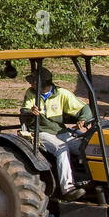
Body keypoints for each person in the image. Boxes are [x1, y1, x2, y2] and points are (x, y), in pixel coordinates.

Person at [21, 67, 93, 197]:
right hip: (40, 131)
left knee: (86, 147)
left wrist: (83, 119)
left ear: (42, 83)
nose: (31, 84)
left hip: (60, 131)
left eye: (34, 82)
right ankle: (68, 189)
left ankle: (92, 182)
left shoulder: (62, 93)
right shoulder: (31, 93)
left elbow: (84, 109)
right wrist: (31, 112)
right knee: (62, 148)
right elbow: (24, 112)